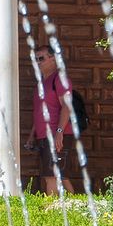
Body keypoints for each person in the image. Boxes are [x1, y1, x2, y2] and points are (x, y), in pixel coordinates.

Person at [26, 44, 75, 194]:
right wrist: (31, 135)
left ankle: (53, 213)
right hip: (43, 136)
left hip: (57, 135)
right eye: (35, 59)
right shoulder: (41, 84)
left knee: (52, 177)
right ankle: (78, 209)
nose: (38, 62)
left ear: (53, 59)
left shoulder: (59, 79)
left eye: (41, 58)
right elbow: (40, 112)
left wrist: (59, 132)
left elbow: (66, 107)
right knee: (60, 175)